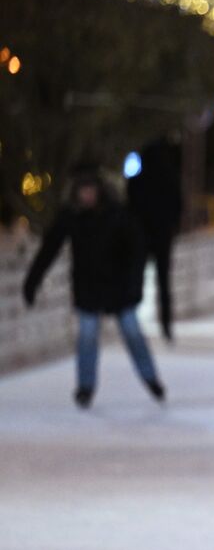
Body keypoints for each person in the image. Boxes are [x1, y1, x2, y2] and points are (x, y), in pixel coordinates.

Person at [23, 165, 165, 408]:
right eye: (83, 191)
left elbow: (137, 250)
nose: (87, 196)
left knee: (133, 334)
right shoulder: (71, 217)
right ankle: (85, 387)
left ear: (99, 191)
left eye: (91, 190)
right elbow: (49, 249)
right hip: (88, 288)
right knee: (87, 337)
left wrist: (134, 285)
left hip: (119, 288)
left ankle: (150, 378)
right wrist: (32, 281)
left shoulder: (118, 214)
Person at [124, 135, 183, 341]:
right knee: (163, 281)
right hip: (161, 235)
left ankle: (133, 322)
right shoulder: (170, 177)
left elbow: (129, 205)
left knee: (137, 278)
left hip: (144, 235)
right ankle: (165, 324)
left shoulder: (139, 179)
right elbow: (178, 206)